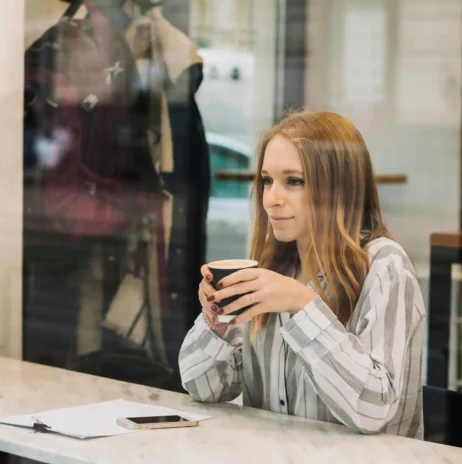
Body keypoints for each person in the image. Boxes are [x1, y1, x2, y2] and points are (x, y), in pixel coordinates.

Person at [177, 111, 425, 438]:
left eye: (293, 181)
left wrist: (302, 306)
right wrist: (215, 319)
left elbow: (372, 407)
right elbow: (202, 387)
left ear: (338, 188)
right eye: (267, 180)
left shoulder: (384, 266)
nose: (271, 200)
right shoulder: (270, 268)